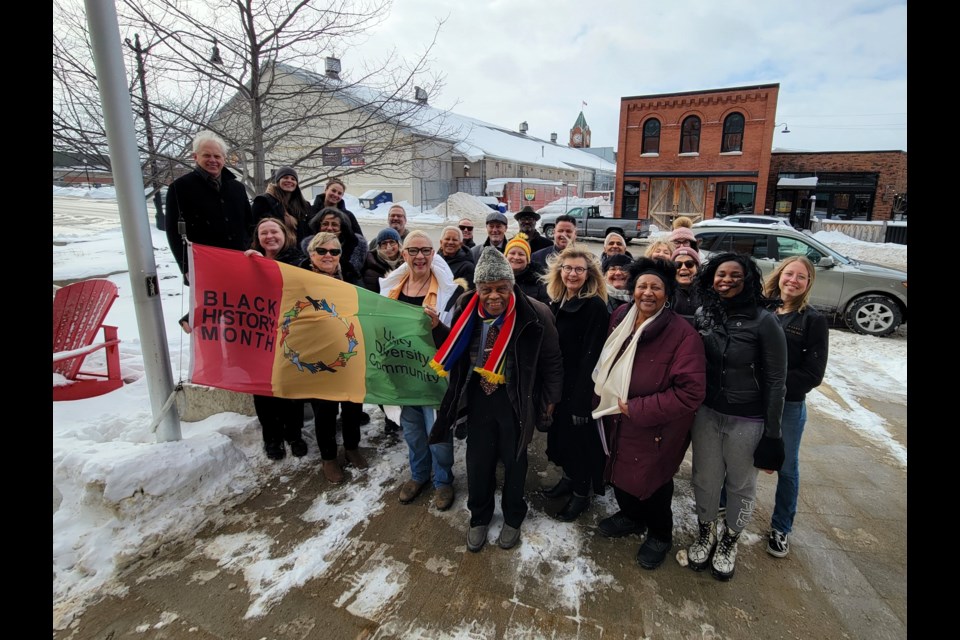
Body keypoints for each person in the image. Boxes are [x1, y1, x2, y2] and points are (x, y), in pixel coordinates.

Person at [429, 247, 563, 552]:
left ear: (511, 284)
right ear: (477, 288)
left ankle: (513, 516)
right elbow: (454, 348)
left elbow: (552, 361)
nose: (494, 296)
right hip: (477, 396)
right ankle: (479, 516)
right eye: (486, 289)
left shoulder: (536, 313)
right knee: (478, 461)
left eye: (501, 288)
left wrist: (551, 398)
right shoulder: (467, 306)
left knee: (515, 461)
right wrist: (438, 329)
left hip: (515, 398)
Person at [591, 258, 706, 569]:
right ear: (633, 290)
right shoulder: (620, 316)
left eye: (656, 287)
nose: (647, 292)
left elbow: (691, 392)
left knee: (652, 481)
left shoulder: (683, 335)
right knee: (618, 470)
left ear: (667, 294)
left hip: (653, 425)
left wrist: (637, 408)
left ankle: (659, 534)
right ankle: (631, 516)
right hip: (614, 415)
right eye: (642, 286)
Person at [687, 252, 787, 581]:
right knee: (704, 479)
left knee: (740, 484)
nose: (726, 280)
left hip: (748, 417)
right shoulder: (704, 314)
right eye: (720, 274)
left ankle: (730, 539)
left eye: (735, 275)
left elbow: (775, 380)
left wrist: (773, 434)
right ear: (710, 278)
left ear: (747, 280)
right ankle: (705, 531)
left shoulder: (764, 319)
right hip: (707, 412)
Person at [379, 231, 464, 510]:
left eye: (426, 250)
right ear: (403, 255)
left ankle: (443, 481)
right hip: (402, 376)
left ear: (434, 254)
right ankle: (418, 475)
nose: (420, 257)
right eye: (413, 251)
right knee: (413, 431)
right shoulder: (390, 290)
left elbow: (457, 340)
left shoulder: (450, 294)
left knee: (437, 432)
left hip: (432, 379)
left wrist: (437, 327)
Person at [762, 257, 829, 558]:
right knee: (737, 459)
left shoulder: (812, 320)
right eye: (790, 273)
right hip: (751, 402)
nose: (793, 280)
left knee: (786, 467)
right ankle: (726, 508)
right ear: (779, 275)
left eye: (801, 277)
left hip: (788, 405)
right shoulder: (762, 308)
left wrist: (772, 383)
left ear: (808, 283)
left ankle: (781, 527)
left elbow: (813, 374)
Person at [541, 245, 610, 522]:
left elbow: (592, 357)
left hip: (579, 386)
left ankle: (582, 493)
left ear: (588, 274)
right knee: (562, 438)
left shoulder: (593, 306)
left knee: (579, 442)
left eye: (579, 269)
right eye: (567, 268)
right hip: (559, 383)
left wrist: (583, 399)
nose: (572, 274)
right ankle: (569, 478)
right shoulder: (557, 301)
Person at [300, 232, 369, 483]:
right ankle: (328, 457)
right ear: (311, 254)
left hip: (349, 351)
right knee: (325, 409)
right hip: (318, 354)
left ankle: (351, 447)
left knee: (352, 403)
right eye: (322, 251)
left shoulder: (349, 273)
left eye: (334, 251)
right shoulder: (299, 278)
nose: (329, 256)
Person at [244, 218, 308, 461]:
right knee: (263, 389)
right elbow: (225, 289)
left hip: (290, 333)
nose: (269, 236)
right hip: (258, 335)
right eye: (264, 233)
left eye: (274, 231)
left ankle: (294, 434)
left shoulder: (298, 261)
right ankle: (271, 437)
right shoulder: (247, 262)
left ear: (285, 234)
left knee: (291, 386)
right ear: (257, 238)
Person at [165, 130, 253, 287]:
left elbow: (249, 223)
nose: (213, 160)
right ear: (195, 157)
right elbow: (174, 232)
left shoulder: (237, 188)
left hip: (239, 262)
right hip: (203, 266)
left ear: (224, 159)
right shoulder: (180, 188)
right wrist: (186, 267)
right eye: (207, 155)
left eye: (217, 156)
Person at [251, 166, 313, 244]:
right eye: (285, 177)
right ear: (278, 181)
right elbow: (253, 228)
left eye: (293, 179)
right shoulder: (263, 201)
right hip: (272, 249)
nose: (289, 181)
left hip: (299, 251)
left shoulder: (304, 205)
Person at [306, 207, 367, 284]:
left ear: (342, 228)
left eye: (334, 224)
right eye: (325, 224)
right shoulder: (302, 266)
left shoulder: (351, 268)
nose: (329, 228)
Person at [504, 232, 550, 304]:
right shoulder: (497, 278)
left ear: (527, 259)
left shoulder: (539, 281)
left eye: (521, 254)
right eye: (512, 253)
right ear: (506, 256)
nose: (516, 257)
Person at [361, 228, 403, 293]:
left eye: (392, 242)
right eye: (384, 243)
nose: (388, 247)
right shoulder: (370, 265)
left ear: (398, 244)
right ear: (379, 246)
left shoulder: (406, 264)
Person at [670, 246, 701, 326]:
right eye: (678, 265)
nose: (683, 268)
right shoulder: (666, 292)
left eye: (689, 264)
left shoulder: (708, 292)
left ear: (697, 267)